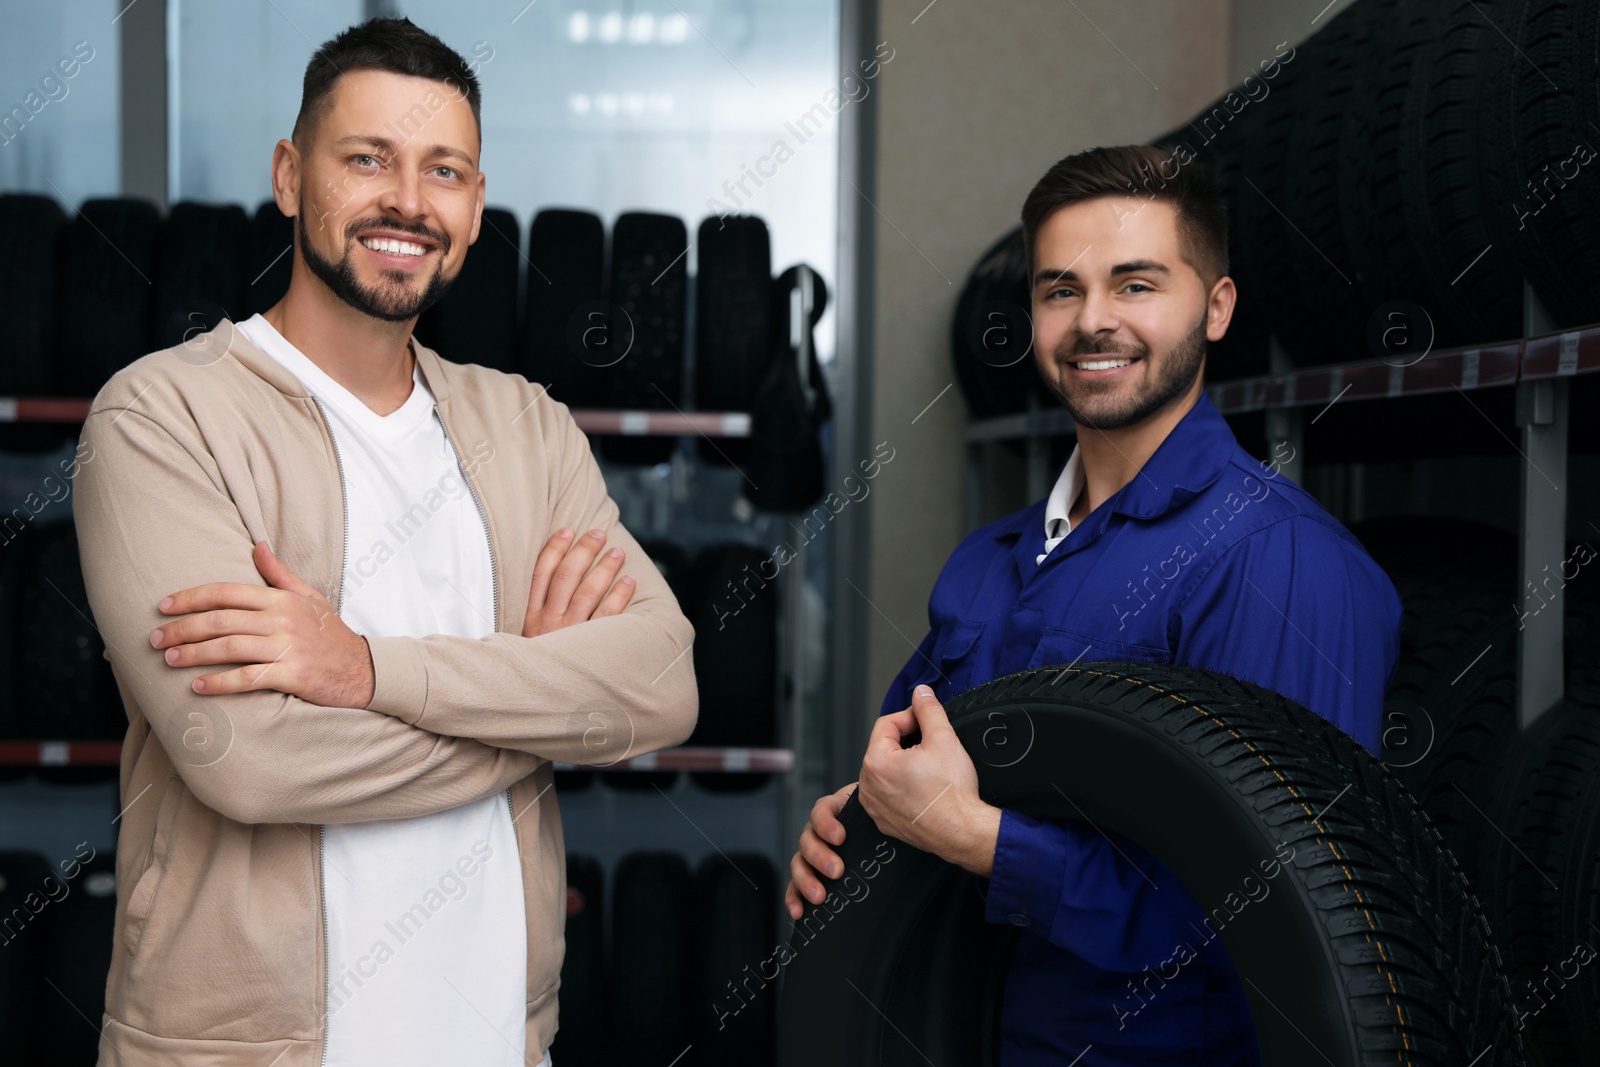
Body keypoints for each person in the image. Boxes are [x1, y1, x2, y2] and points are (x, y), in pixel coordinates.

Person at [72, 17, 697, 1067]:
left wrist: (363, 668)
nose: (408, 199)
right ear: (288, 175)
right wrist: (542, 705)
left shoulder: (526, 426)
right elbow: (252, 758)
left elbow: (663, 684)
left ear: (474, 206)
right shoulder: (162, 418)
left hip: (497, 1040)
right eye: (368, 159)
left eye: (442, 170)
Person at [785, 144, 1402, 1065]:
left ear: (1217, 306)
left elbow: (1277, 918)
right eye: (1060, 290)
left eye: (1137, 284)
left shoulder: (1279, 564)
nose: (1094, 322)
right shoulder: (989, 562)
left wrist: (982, 840)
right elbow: (904, 778)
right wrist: (847, 827)